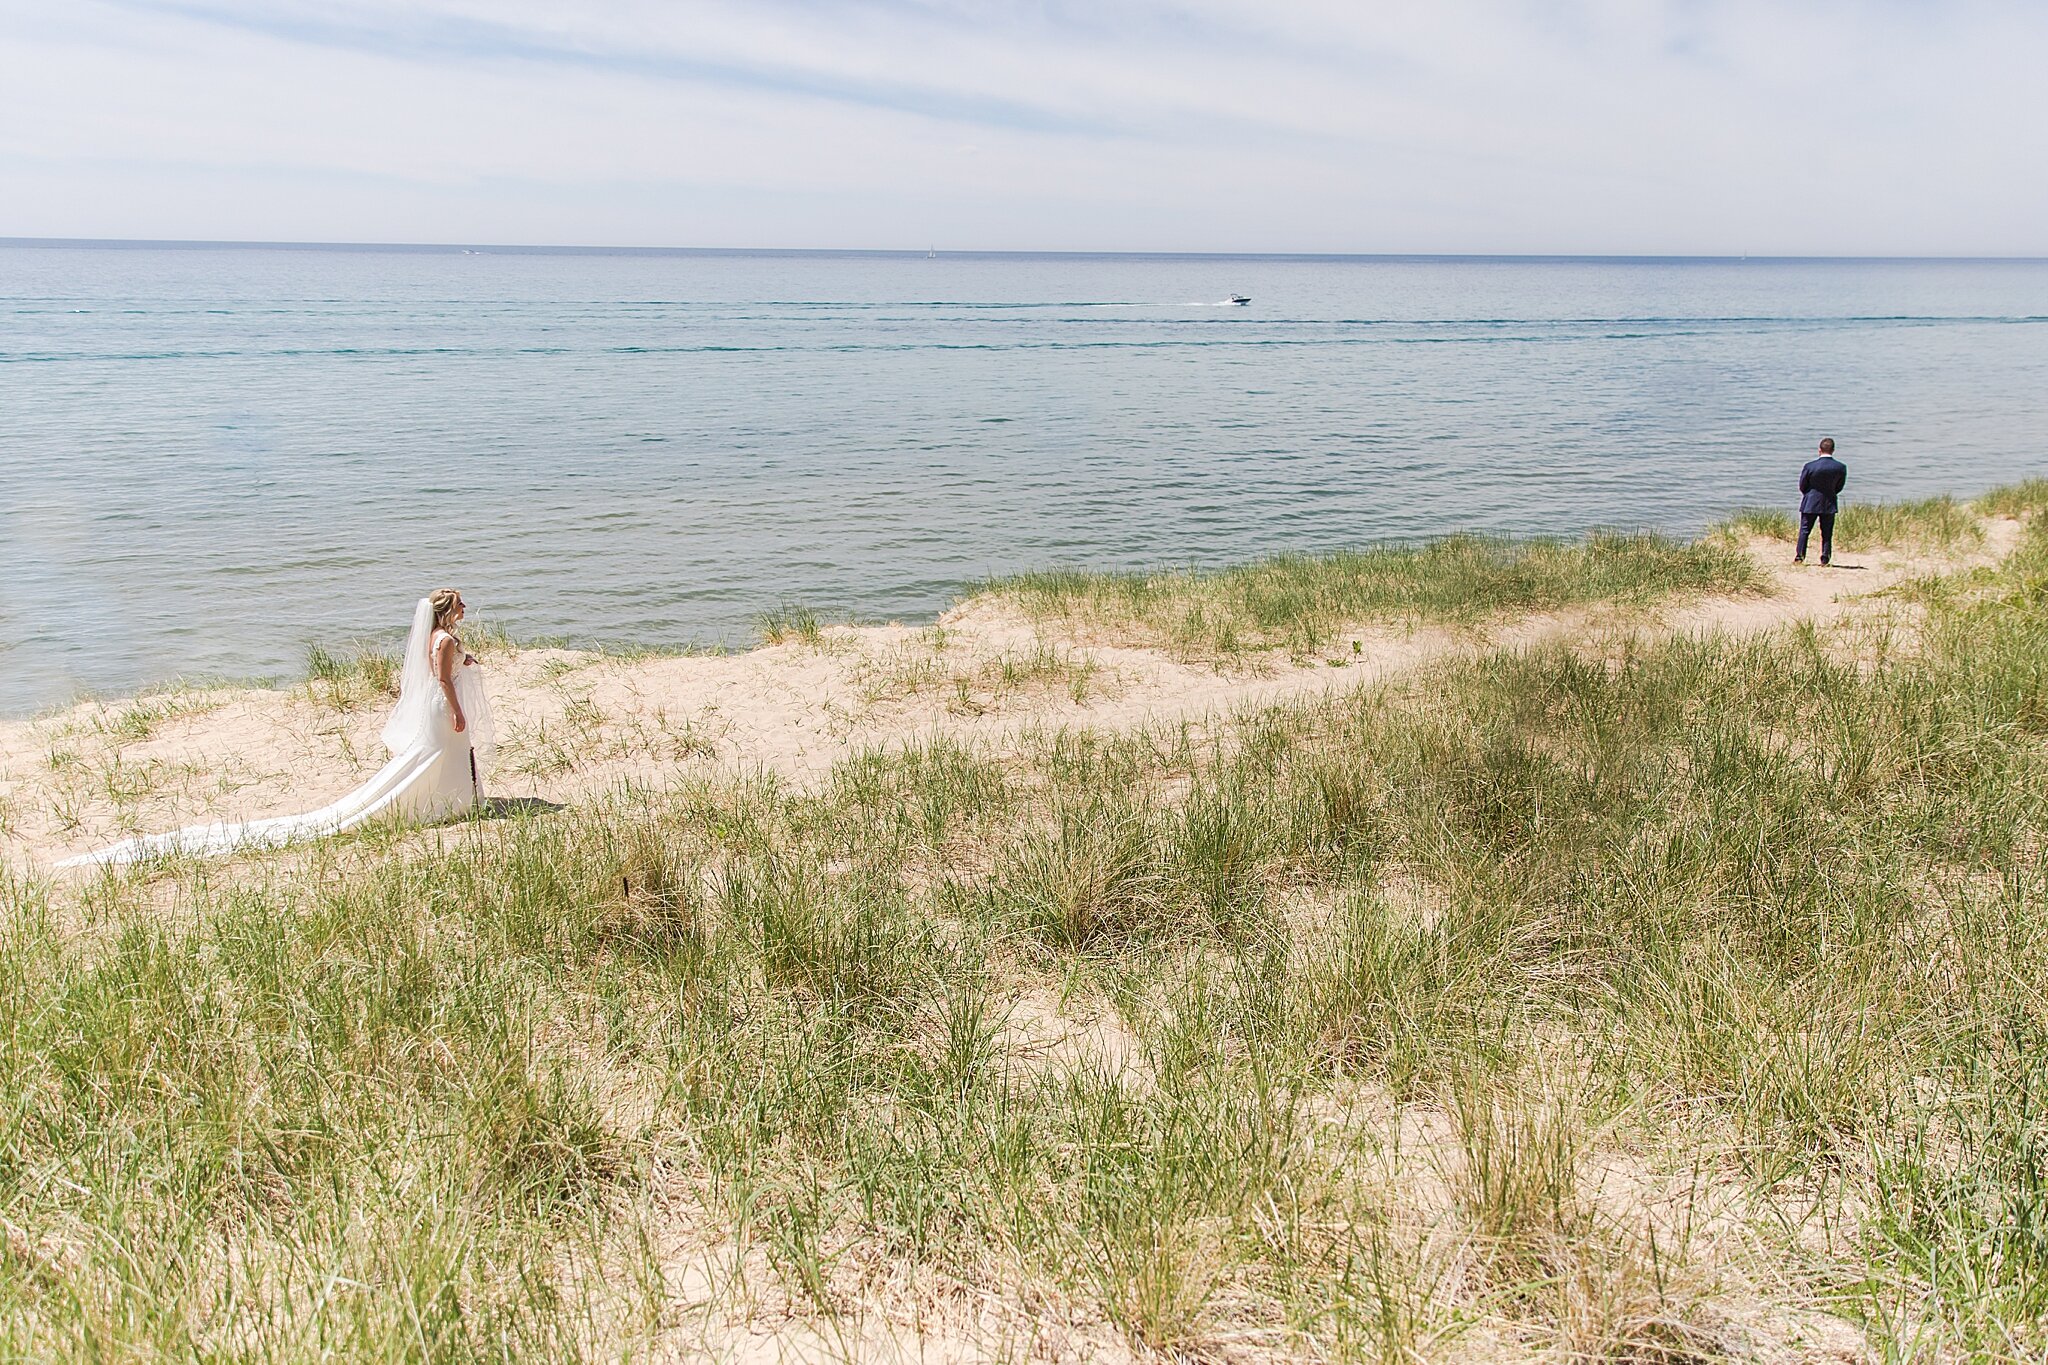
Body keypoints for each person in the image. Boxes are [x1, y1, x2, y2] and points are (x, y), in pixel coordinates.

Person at [58, 588, 494, 867]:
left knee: (444, 755)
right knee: (439, 753)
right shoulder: (445, 640)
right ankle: (444, 802)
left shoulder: (438, 639)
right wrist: (457, 710)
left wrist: (465, 662)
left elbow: (445, 665)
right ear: (446, 610)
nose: (465, 607)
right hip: (443, 707)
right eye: (460, 603)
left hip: (442, 704)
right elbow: (440, 677)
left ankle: (448, 801)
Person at [1796, 438, 1848, 566]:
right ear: (1833, 450)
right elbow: (1839, 486)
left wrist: (1809, 494)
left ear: (1819, 450)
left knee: (1805, 530)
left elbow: (1802, 485)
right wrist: (1831, 493)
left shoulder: (1810, 466)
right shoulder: (1840, 467)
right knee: (1827, 532)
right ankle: (1825, 558)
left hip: (1810, 501)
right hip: (1829, 502)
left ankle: (1800, 557)